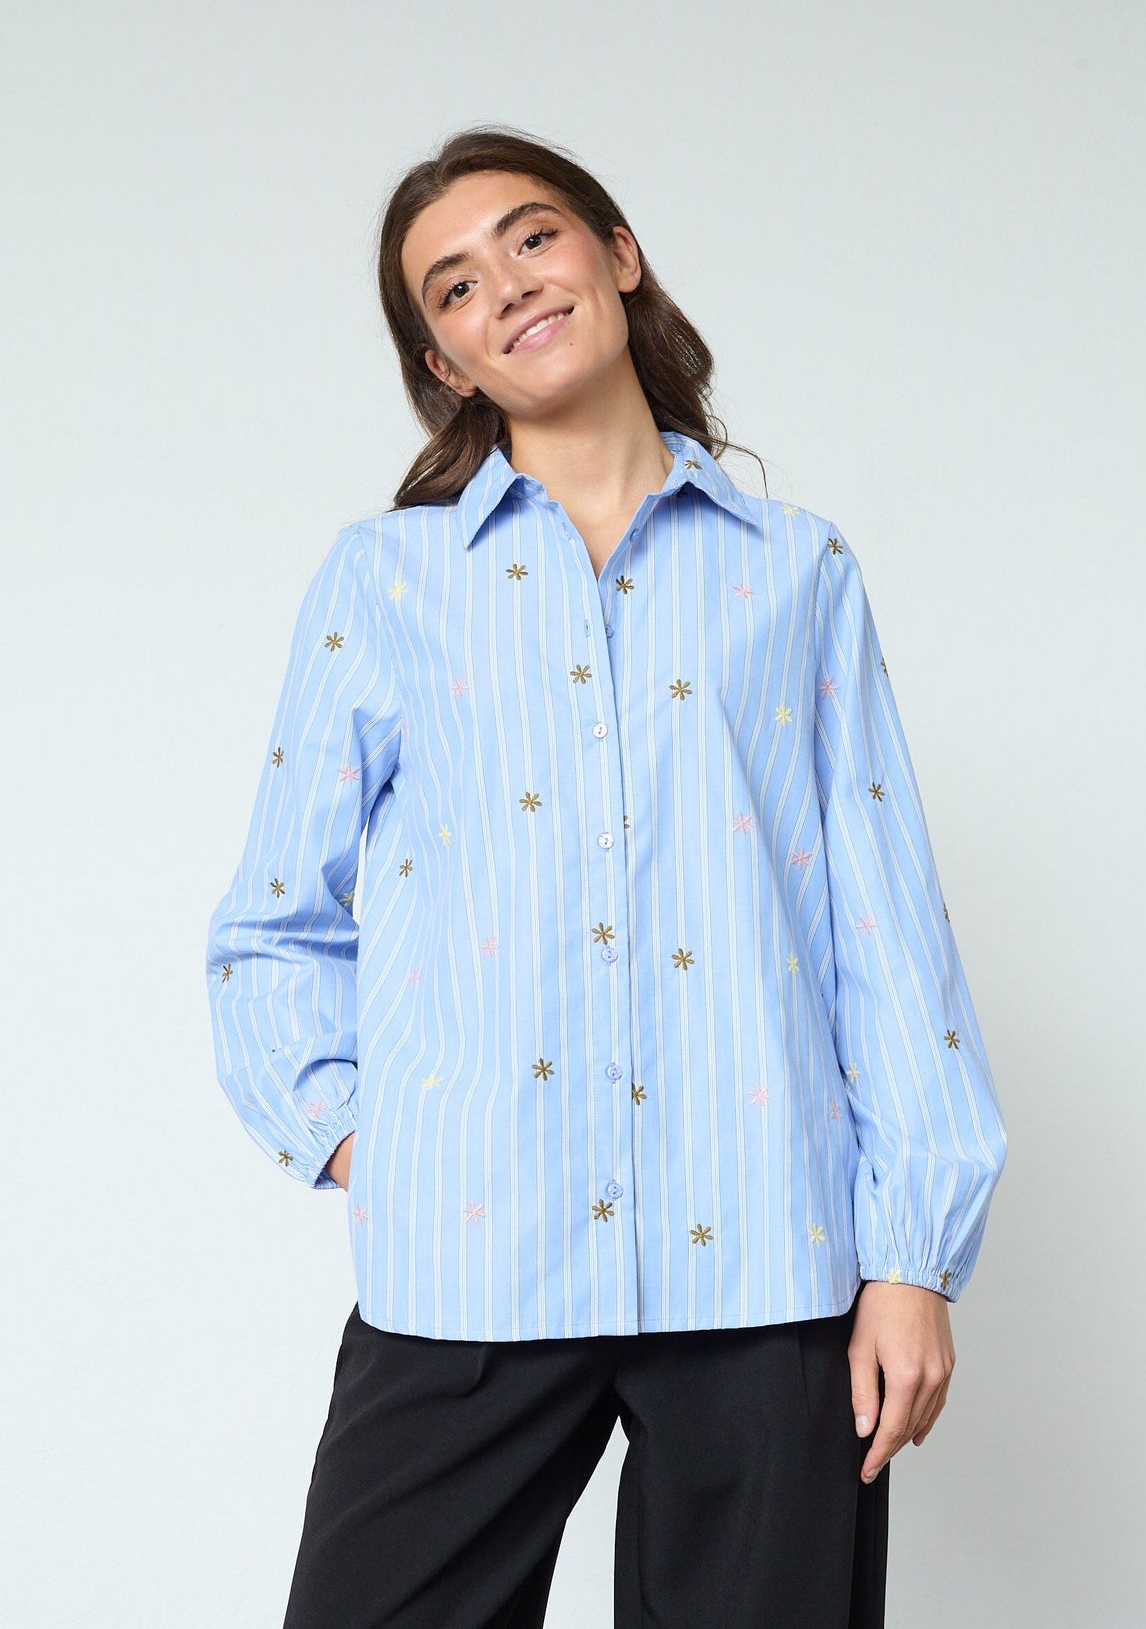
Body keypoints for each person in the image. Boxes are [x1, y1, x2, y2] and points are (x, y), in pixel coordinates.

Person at [205, 125, 1008, 1629]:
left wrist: (913, 1262)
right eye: (453, 287)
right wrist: (367, 1143)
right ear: (443, 364)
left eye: (531, 237)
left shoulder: (796, 570)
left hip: (766, 1262)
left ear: (616, 256)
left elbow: (885, 930)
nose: (505, 286)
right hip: (471, 1262)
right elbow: (273, 923)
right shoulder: (388, 581)